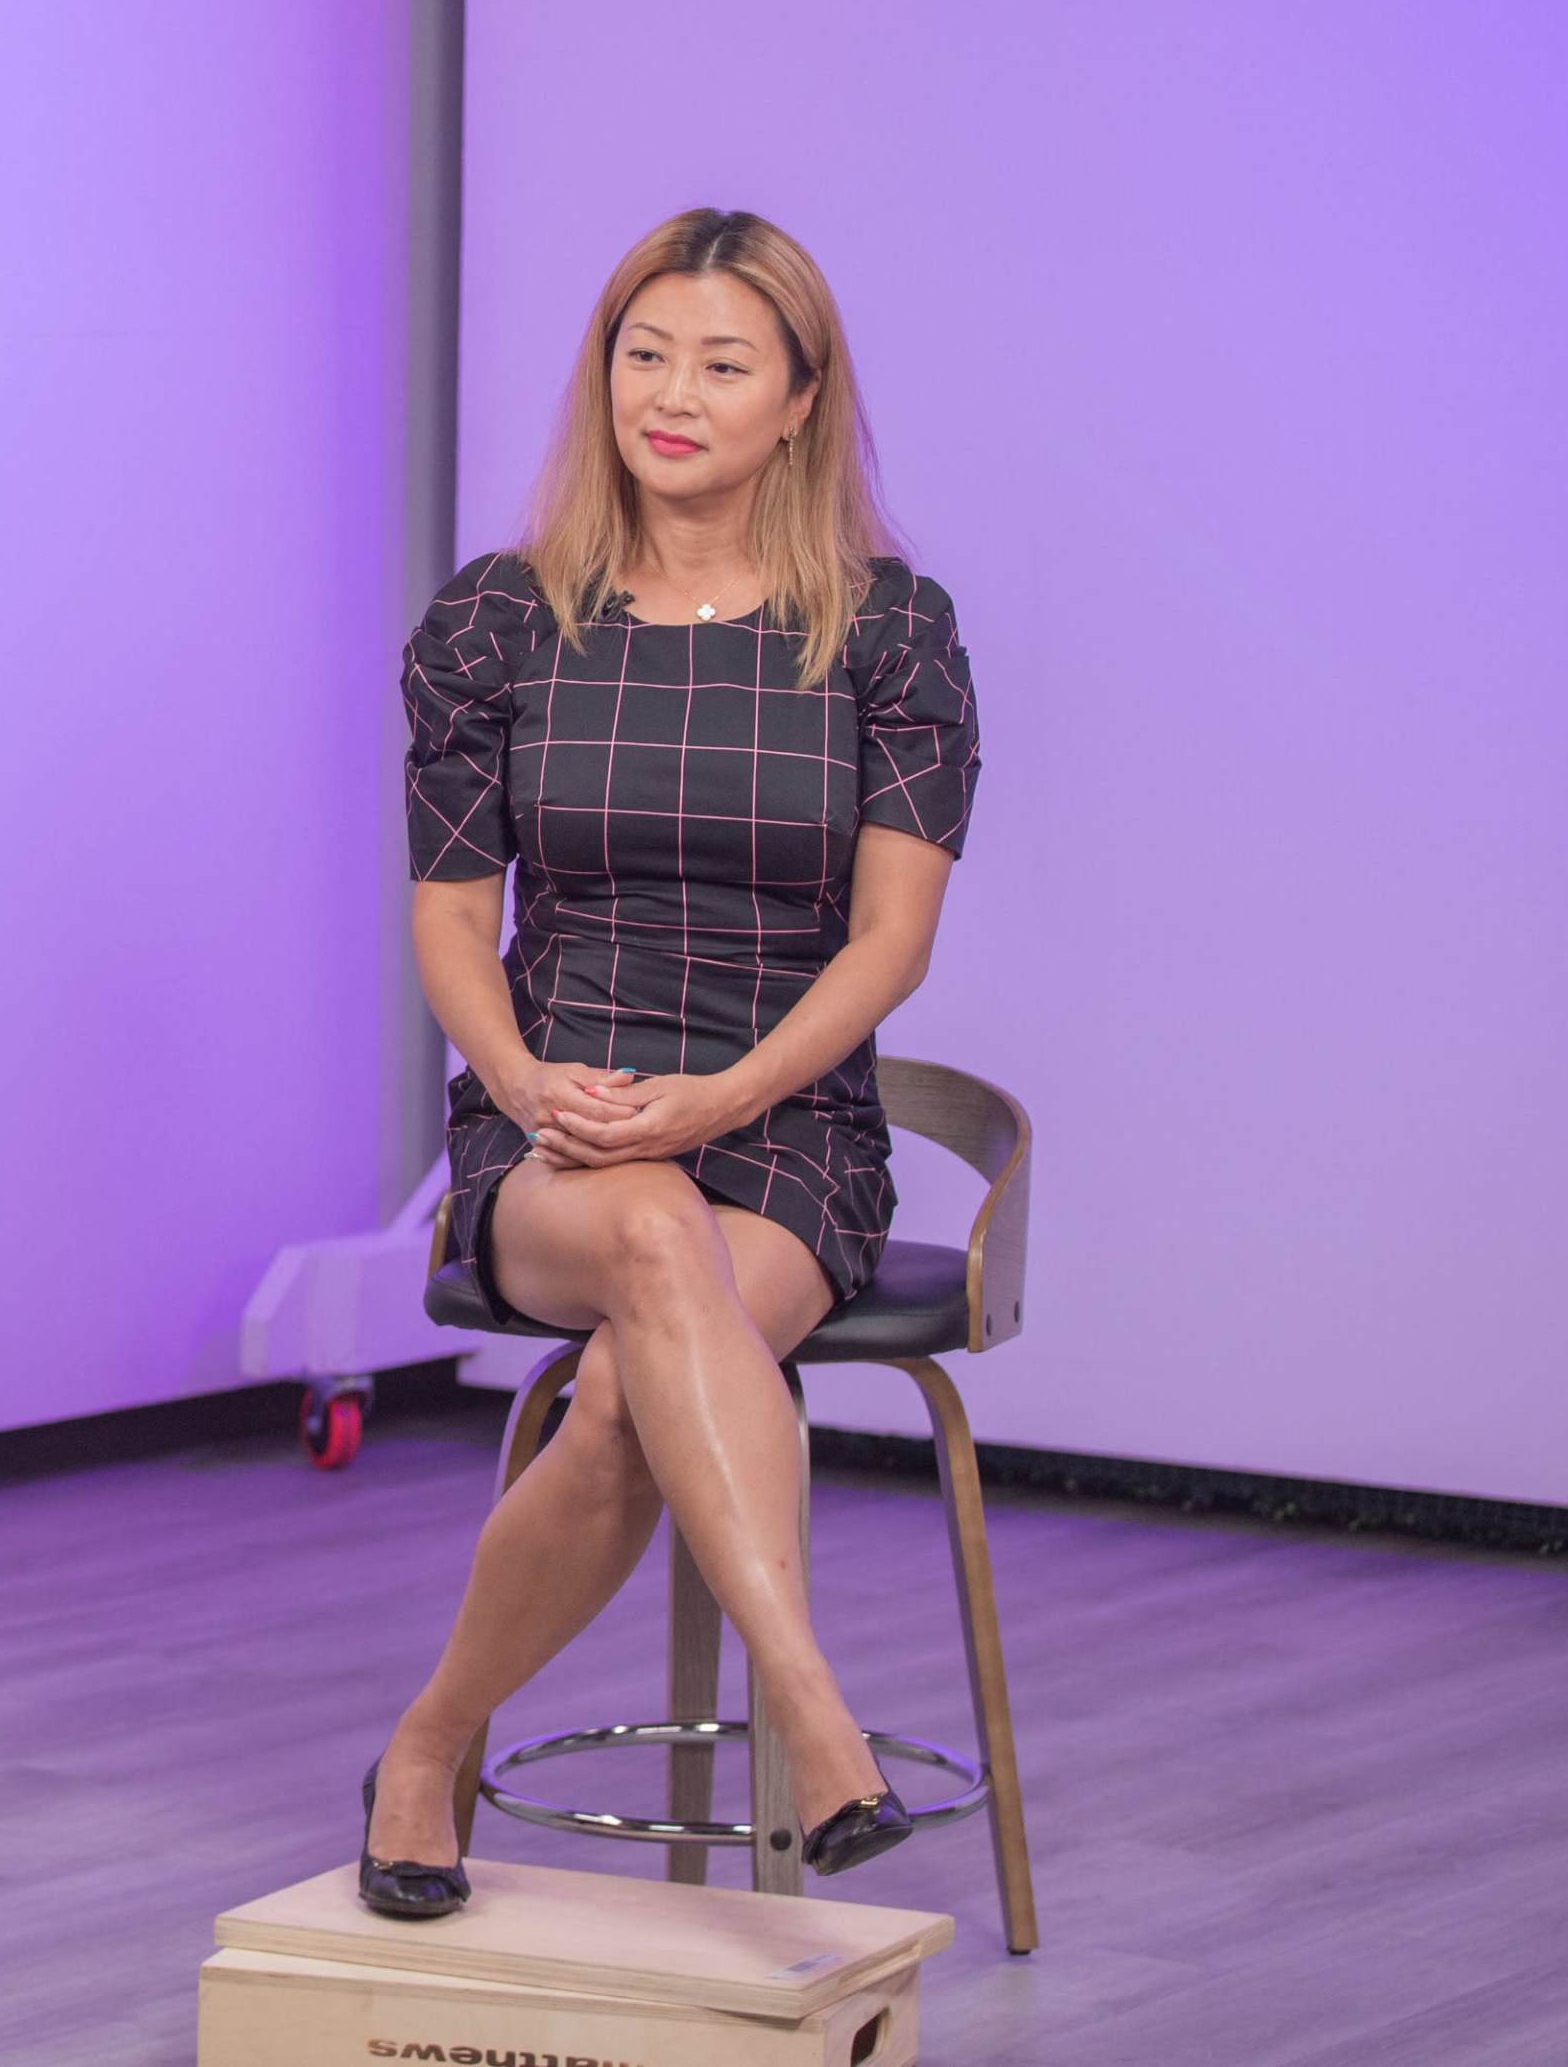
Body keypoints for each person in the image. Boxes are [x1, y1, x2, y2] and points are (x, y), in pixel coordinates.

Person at [359, 209, 981, 1918]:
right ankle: (817, 1711)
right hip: (557, 1127)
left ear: (800, 402)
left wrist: (725, 1100)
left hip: (787, 1130)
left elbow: (889, 946)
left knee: (637, 1390)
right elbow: (447, 924)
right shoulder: (499, 624)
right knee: (641, 1236)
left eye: (723, 364)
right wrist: (517, 1077)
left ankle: (431, 1742)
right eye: (646, 355)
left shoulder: (890, 635)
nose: (673, 394)